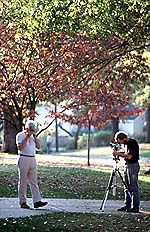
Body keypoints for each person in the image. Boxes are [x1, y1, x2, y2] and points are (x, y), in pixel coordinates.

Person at [16, 120, 48, 209]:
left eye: (33, 129)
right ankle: (22, 201)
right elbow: (20, 147)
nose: (32, 131)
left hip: (32, 158)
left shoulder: (33, 137)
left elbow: (38, 147)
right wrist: (27, 137)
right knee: (23, 181)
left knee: (33, 181)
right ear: (26, 128)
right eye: (30, 129)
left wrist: (34, 137)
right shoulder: (20, 135)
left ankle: (37, 201)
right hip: (23, 158)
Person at [113, 131, 140, 213]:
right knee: (126, 186)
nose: (119, 143)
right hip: (127, 165)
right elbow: (126, 153)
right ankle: (127, 205)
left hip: (133, 166)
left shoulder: (132, 143)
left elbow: (129, 156)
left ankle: (135, 207)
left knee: (134, 187)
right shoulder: (126, 144)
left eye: (119, 141)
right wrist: (117, 153)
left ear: (123, 138)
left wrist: (117, 153)